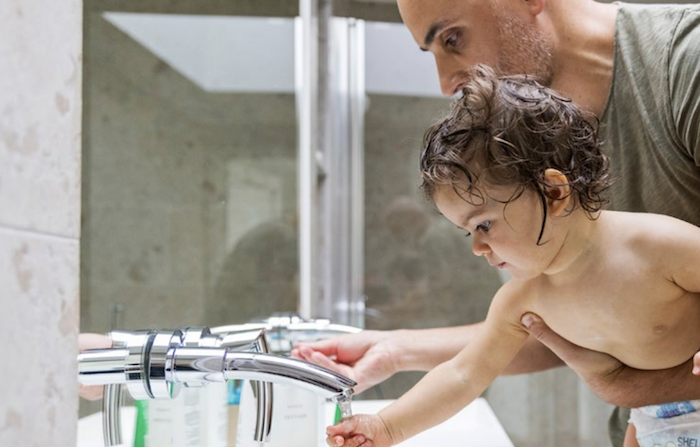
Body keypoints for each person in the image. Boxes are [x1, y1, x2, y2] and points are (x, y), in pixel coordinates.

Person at [293, 1, 700, 445]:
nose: (477, 248)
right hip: (651, 421)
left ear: (555, 192)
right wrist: (387, 425)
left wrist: (623, 388)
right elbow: (465, 373)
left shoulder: (653, 244)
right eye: (469, 231)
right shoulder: (525, 296)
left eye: (483, 225)